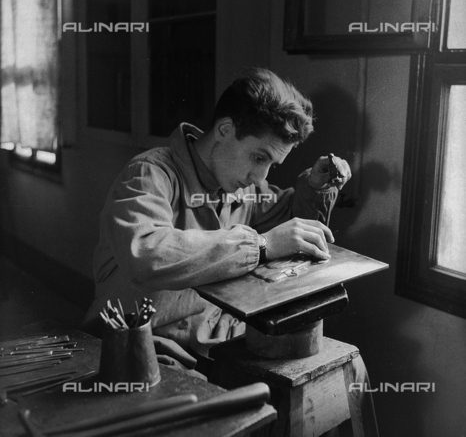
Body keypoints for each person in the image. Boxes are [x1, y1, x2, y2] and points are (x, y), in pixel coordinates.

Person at [82, 68, 351, 371]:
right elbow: (146, 253)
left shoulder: (244, 186)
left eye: (271, 165)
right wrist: (261, 245)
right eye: (258, 157)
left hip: (216, 339)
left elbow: (292, 225)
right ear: (224, 130)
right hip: (143, 345)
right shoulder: (149, 173)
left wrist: (314, 188)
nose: (260, 175)